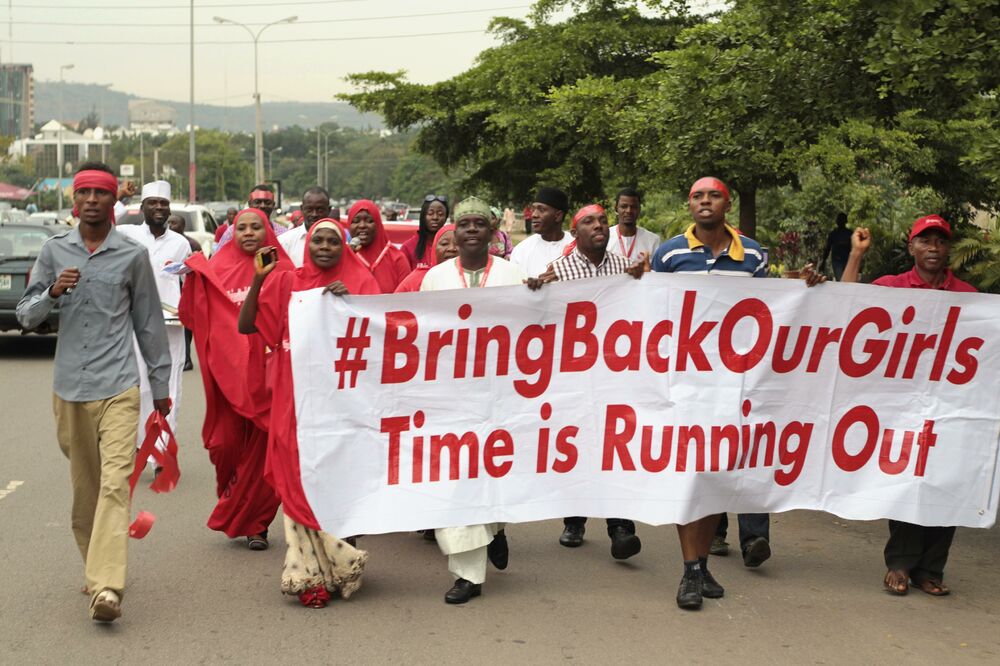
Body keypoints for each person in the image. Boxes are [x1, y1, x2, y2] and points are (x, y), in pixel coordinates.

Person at [16, 162, 172, 623]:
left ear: (112, 201)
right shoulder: (53, 251)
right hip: (68, 389)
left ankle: (107, 587)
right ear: (73, 200)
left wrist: (160, 386)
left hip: (119, 385)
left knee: (114, 484)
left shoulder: (130, 254)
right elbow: (26, 316)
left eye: (99, 193)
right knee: (85, 488)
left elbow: (148, 323)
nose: (90, 200)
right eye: (82, 191)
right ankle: (95, 565)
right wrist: (52, 294)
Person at [832, 215, 975, 597]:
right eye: (925, 241)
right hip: (901, 405)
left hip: (951, 405)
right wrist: (856, 256)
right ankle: (900, 563)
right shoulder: (892, 288)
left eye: (940, 242)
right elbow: (846, 303)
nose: (933, 248)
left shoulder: (969, 297)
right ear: (911, 247)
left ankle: (930, 569)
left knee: (947, 482)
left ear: (948, 249)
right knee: (908, 479)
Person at [238, 219, 377, 608]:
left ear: (344, 247)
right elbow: (246, 323)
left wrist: (351, 304)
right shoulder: (285, 282)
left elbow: (380, 338)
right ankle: (307, 572)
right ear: (307, 243)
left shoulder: (361, 283)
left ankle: (336, 561)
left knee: (336, 478)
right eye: (318, 239)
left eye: (334, 241)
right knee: (296, 478)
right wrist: (258, 280)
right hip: (293, 396)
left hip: (342, 402)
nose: (326, 247)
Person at [650, 176, 768, 611]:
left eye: (712, 195)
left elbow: (770, 310)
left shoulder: (753, 254)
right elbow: (651, 312)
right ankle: (689, 571)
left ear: (727, 203)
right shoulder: (669, 253)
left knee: (716, 474)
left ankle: (699, 563)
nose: (705, 202)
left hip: (732, 384)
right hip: (683, 383)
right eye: (698, 196)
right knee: (689, 476)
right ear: (689, 204)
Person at [420, 196, 527, 603]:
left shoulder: (514, 274)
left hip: (503, 394)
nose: (470, 230)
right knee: (457, 477)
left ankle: (495, 529)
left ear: (492, 231)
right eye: (463, 224)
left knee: (496, 472)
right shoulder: (436, 277)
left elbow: (536, 327)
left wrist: (538, 294)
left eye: (478, 224)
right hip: (451, 396)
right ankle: (467, 574)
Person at [527, 204, 645, 559]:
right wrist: (533, 293)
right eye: (589, 222)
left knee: (615, 446)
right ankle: (574, 520)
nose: (599, 226)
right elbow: (542, 319)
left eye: (603, 221)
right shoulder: (558, 271)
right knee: (577, 446)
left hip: (616, 372)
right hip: (574, 374)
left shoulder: (626, 269)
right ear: (575, 232)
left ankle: (621, 526)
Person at [178, 208, 289, 551]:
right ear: (233, 232)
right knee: (224, 444)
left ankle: (257, 524)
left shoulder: (284, 269)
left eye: (257, 227)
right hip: (228, 379)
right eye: (242, 228)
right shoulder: (217, 269)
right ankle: (234, 496)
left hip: (269, 379)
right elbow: (192, 315)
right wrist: (197, 279)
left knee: (264, 455)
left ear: (268, 231)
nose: (249, 233)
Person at [115, 181, 191, 473]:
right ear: (143, 207)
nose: (159, 208)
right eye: (153, 203)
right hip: (135, 322)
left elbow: (189, 284)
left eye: (164, 203)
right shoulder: (128, 235)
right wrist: (122, 198)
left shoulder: (181, 243)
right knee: (141, 386)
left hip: (171, 325)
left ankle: (163, 450)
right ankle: (142, 443)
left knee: (170, 384)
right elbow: (106, 223)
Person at [347, 199, 410, 293]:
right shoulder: (343, 257)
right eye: (356, 221)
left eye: (369, 221)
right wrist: (347, 258)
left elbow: (406, 299)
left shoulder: (397, 259)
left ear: (378, 224)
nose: (362, 225)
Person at [509, 187, 573, 277]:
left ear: (558, 216)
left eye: (541, 210)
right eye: (533, 209)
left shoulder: (577, 246)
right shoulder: (522, 250)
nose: (534, 215)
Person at [168, 213, 200, 371]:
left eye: (174, 223)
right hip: (170, 292)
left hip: (186, 292)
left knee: (186, 329)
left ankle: (187, 359)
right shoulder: (166, 242)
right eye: (169, 223)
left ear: (182, 226)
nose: (171, 226)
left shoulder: (191, 244)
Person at [216, 185, 286, 250]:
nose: (262, 206)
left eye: (267, 202)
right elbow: (217, 258)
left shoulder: (283, 233)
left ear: (273, 205)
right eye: (257, 202)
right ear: (250, 204)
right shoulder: (232, 232)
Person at [278, 187, 333, 268]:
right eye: (309, 209)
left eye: (320, 210)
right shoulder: (284, 242)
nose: (314, 214)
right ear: (302, 209)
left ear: (329, 210)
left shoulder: (338, 243)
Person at [395, 223, 457, 293]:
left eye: (458, 244)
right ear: (434, 248)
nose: (452, 249)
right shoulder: (416, 280)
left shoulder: (470, 279)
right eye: (444, 244)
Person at [607, 188, 660, 264]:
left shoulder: (652, 240)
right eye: (624, 206)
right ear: (616, 209)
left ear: (639, 209)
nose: (629, 211)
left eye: (633, 207)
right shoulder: (606, 237)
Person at [400, 195, 449, 270]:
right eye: (430, 213)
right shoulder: (408, 247)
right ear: (423, 216)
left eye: (440, 214)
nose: (435, 217)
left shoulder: (452, 247)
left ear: (446, 218)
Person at [819, 212, 853, 281]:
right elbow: (827, 248)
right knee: (840, 280)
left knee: (848, 281)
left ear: (845, 221)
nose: (840, 221)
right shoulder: (833, 234)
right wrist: (823, 262)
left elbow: (854, 247)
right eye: (839, 219)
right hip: (837, 261)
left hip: (848, 261)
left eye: (842, 219)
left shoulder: (850, 233)